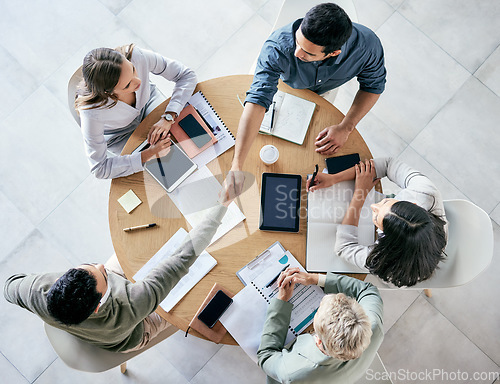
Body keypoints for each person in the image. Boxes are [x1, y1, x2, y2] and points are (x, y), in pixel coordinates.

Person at [3, 196, 232, 352]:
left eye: (92, 266)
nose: (103, 266)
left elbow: (8, 287)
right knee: (185, 300)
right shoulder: (130, 306)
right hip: (134, 333)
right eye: (104, 277)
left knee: (140, 250)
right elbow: (181, 260)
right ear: (96, 307)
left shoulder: (35, 293)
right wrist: (223, 203)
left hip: (91, 320)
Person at [226, 3, 386, 194]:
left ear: (334, 53)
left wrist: (346, 127)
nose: (297, 53)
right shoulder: (278, 47)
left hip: (324, 91)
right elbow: (257, 101)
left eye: (308, 53)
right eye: (298, 42)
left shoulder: (367, 47)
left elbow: (373, 87)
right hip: (282, 84)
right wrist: (237, 165)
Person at [307, 158, 448, 287]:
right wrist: (334, 178)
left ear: (388, 241)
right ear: (414, 205)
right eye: (386, 202)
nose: (373, 206)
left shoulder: (387, 262)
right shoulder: (424, 192)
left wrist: (360, 194)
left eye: (376, 217)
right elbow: (388, 164)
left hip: (406, 270)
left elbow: (343, 248)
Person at [76, 43, 197, 179]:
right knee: (171, 172)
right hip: (121, 136)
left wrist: (169, 115)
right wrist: (147, 155)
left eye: (132, 69)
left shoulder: (136, 56)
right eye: (127, 85)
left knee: (192, 138)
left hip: (148, 103)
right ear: (108, 92)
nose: (138, 81)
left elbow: (186, 75)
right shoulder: (92, 112)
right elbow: (99, 168)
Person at [257, 267, 383, 384]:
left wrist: (281, 302)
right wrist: (315, 278)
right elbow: (368, 290)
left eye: (318, 310)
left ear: (317, 340)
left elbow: (266, 356)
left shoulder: (293, 372)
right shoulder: (374, 326)